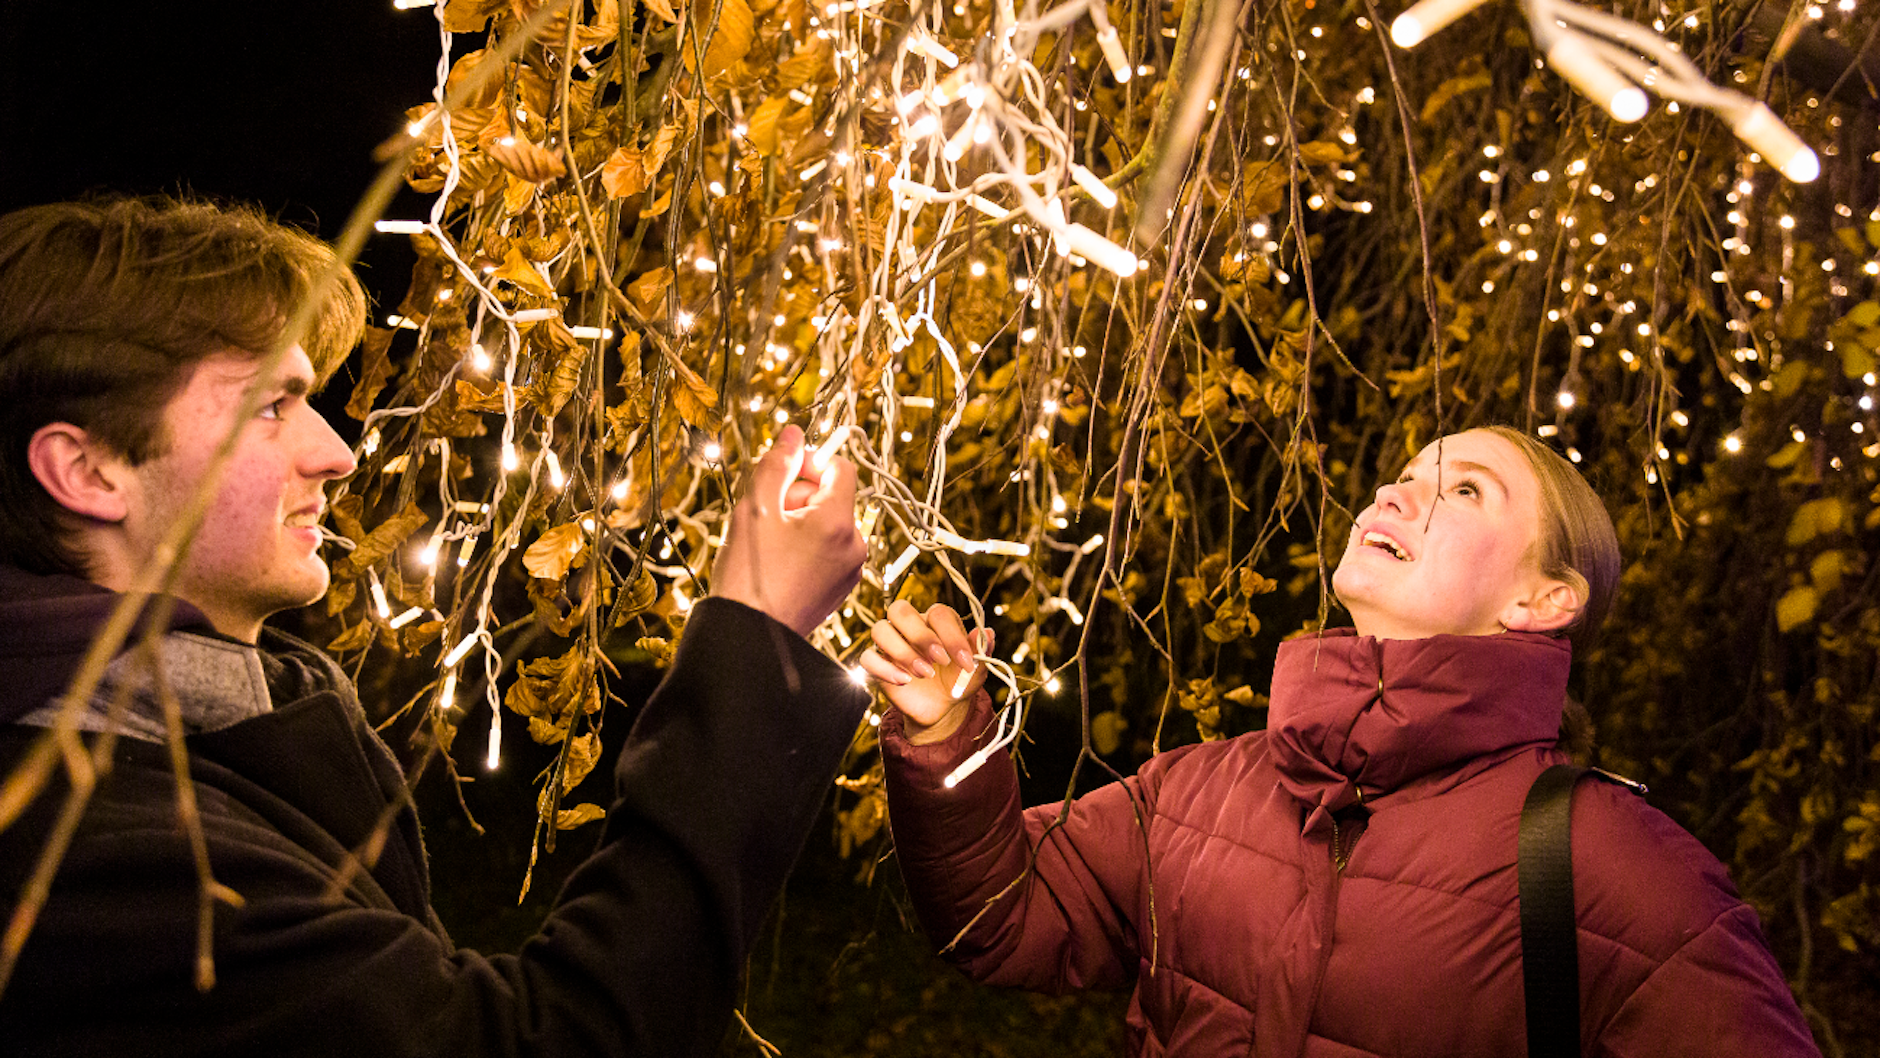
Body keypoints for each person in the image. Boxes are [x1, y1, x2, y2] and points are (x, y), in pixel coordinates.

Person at [0, 195, 870, 1057]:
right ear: (87, 470)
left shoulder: (216, 732)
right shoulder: (98, 858)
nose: (335, 452)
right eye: (270, 405)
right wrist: (757, 631)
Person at [862, 427, 1823, 1056]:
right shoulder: (1201, 790)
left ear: (1542, 599)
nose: (1394, 496)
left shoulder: (1611, 865)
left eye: (1465, 490)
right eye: (1403, 477)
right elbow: (997, 919)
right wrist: (947, 736)